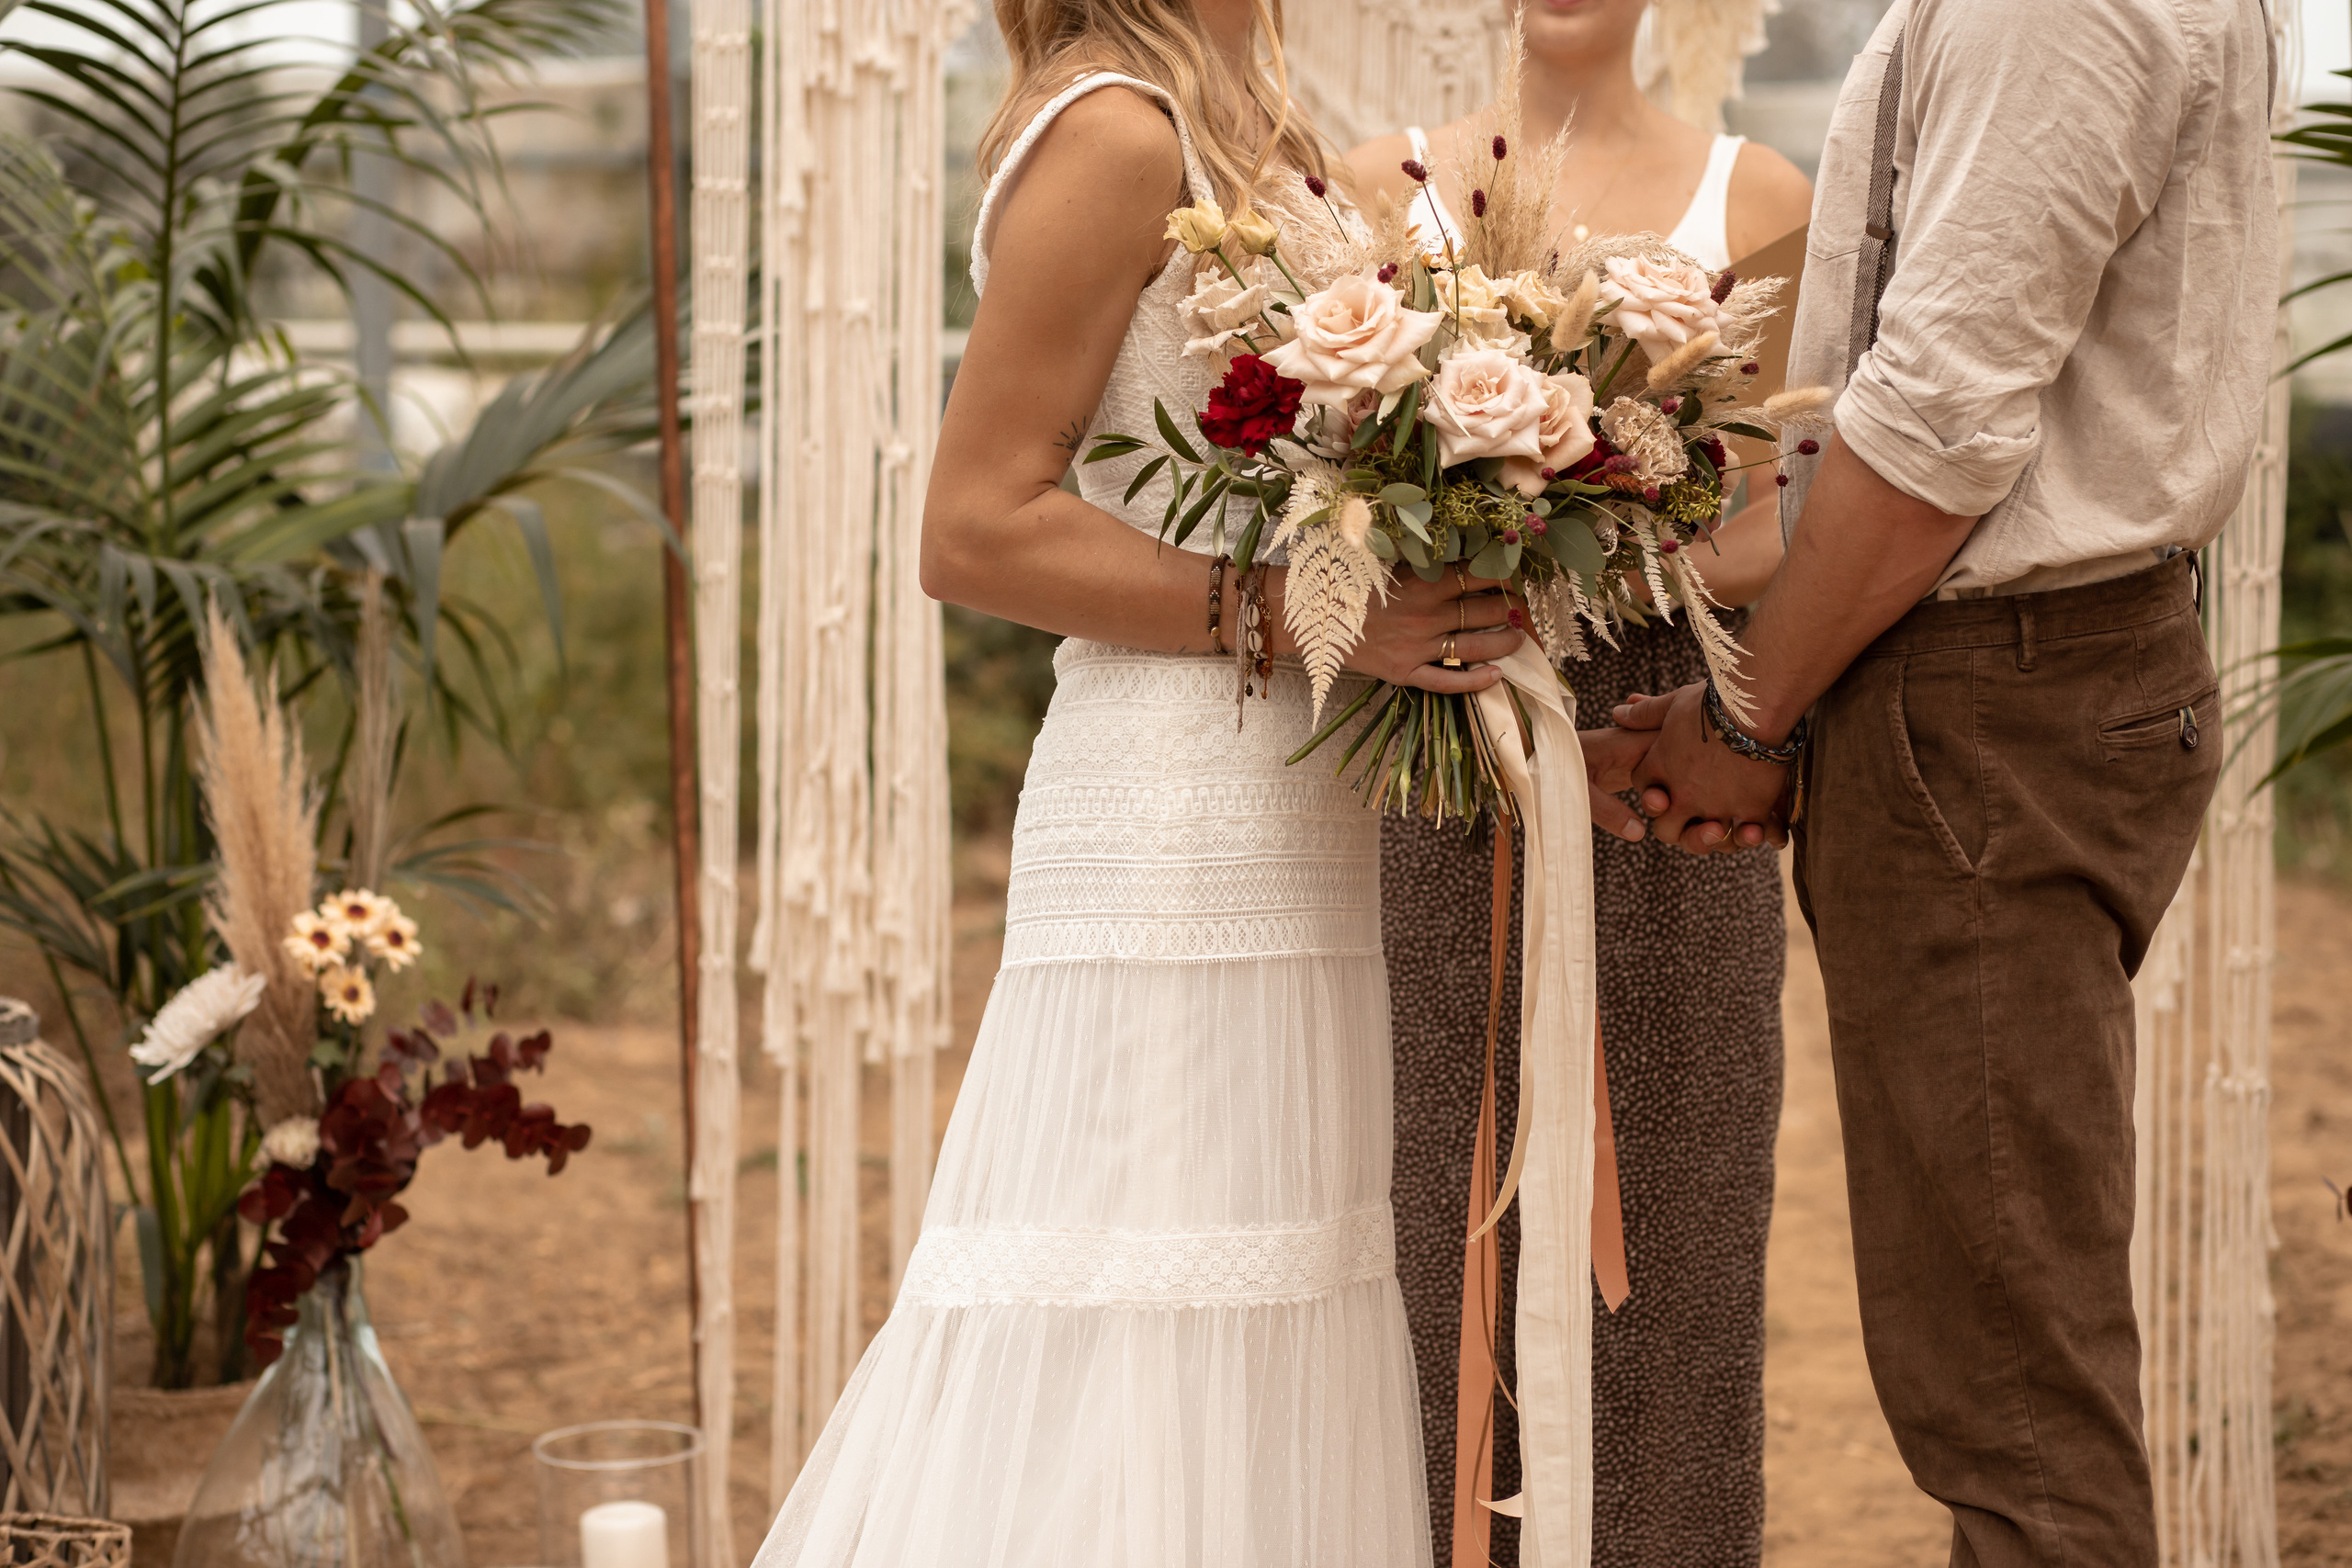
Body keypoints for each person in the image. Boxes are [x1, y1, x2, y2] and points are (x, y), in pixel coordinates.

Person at [749, 0, 1651, 1559]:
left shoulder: (1252, 124)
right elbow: (971, 527)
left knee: (1270, 1292)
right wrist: (1310, 615)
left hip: (1295, 816)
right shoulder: (1116, 132)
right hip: (1172, 826)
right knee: (1138, 1299)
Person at [1619, 1, 2278, 1563]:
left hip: (1991, 684)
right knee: (2003, 1334)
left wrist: (1755, 714)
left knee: (2011, 1406)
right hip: (2002, 676)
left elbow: (1937, 427)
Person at [1347, 3, 1810, 1562]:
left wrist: (1582, 515)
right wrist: (1462, 543)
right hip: (1454, 743)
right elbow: (1335, 503)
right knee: (1440, 1205)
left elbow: (1759, 529)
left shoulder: (1759, 199)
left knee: (1681, 1221)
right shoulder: (1379, 186)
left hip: (1671, 748)